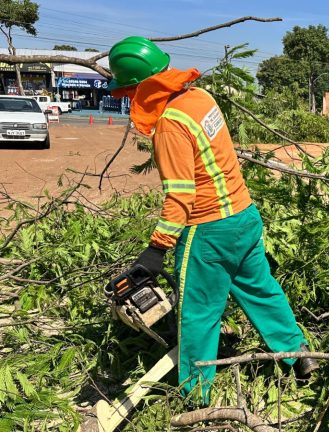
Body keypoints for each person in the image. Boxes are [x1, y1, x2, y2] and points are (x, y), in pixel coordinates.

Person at [107, 36, 318, 405]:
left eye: (127, 92)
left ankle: (196, 398)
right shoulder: (201, 98)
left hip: (208, 230)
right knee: (261, 289)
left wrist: (155, 251)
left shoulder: (170, 125)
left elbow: (180, 196)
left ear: (143, 87)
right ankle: (299, 355)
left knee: (198, 314)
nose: (127, 101)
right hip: (244, 217)